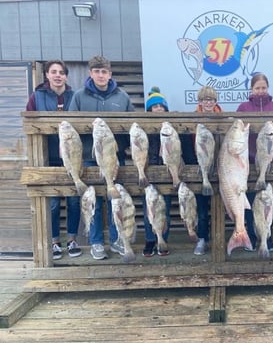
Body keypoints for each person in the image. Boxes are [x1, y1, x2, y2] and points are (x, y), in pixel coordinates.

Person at [69, 55, 135, 260]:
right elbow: (72, 127)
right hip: (89, 157)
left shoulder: (122, 97)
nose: (100, 75)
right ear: (91, 73)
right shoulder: (79, 96)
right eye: (96, 71)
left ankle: (117, 240)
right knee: (94, 201)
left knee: (116, 200)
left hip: (114, 158)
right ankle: (96, 242)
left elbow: (130, 125)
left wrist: (124, 148)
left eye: (104, 71)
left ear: (110, 74)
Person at [26, 60, 82, 260]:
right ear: (47, 75)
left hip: (72, 156)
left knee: (74, 201)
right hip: (48, 157)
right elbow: (29, 124)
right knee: (53, 204)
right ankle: (55, 241)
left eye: (61, 72)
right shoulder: (37, 97)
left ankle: (73, 239)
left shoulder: (74, 96)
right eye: (54, 72)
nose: (58, 75)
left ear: (66, 76)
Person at [236, 73, 273, 252]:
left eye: (263, 87)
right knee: (250, 204)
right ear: (251, 89)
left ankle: (268, 238)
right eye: (257, 88)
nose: (260, 91)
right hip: (248, 165)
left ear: (268, 88)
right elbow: (238, 136)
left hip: (269, 163)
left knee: (267, 204)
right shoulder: (243, 108)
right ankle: (252, 236)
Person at [193, 86, 223, 255]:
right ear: (200, 101)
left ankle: (221, 240)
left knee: (221, 207)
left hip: (219, 168)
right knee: (202, 210)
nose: (208, 103)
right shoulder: (193, 119)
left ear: (215, 101)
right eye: (205, 100)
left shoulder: (224, 118)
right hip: (201, 167)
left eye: (211, 99)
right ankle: (202, 239)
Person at [142, 87, 171, 257]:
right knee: (149, 210)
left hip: (166, 172)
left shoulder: (170, 127)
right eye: (155, 106)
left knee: (164, 209)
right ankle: (149, 239)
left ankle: (163, 238)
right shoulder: (145, 129)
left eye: (161, 106)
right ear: (149, 110)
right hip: (150, 171)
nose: (158, 109)